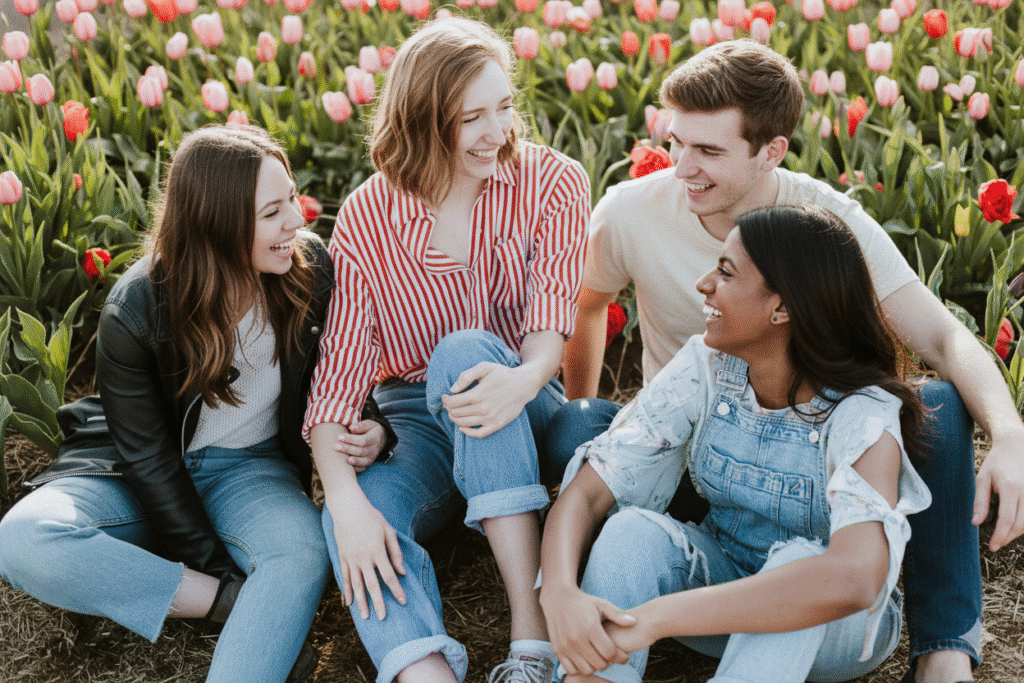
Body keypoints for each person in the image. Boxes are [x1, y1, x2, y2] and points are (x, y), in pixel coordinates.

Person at [546, 39, 1024, 683]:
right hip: (694, 446)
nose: (681, 166)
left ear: (771, 150)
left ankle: (943, 646)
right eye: (676, 141)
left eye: (709, 151)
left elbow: (943, 338)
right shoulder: (635, 213)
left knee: (930, 405)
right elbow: (585, 308)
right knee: (582, 430)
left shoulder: (824, 229)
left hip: (817, 468)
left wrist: (1011, 432)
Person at [0, 124, 394, 683]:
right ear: (217, 226)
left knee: (303, 553)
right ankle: (228, 605)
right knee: (24, 537)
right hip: (131, 470)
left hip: (250, 469)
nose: (297, 222)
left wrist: (374, 426)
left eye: (291, 200)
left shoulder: (309, 271)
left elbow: (347, 365)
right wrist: (220, 587)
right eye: (272, 212)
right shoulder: (136, 310)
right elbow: (150, 462)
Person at [303, 17, 589, 683]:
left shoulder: (552, 182)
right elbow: (336, 384)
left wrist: (522, 380)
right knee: (362, 512)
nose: (498, 132)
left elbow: (547, 336)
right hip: (420, 428)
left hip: (529, 396)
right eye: (472, 119)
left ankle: (531, 641)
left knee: (465, 356)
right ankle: (422, 668)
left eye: (505, 107)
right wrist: (342, 503)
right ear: (423, 122)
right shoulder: (370, 216)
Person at [541, 204, 932, 683]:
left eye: (725, 272)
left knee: (800, 566)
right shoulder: (705, 367)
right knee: (629, 533)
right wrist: (558, 591)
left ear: (782, 307)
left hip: (837, 629)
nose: (704, 283)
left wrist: (657, 618)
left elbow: (854, 578)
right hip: (724, 575)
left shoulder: (861, 411)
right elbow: (587, 491)